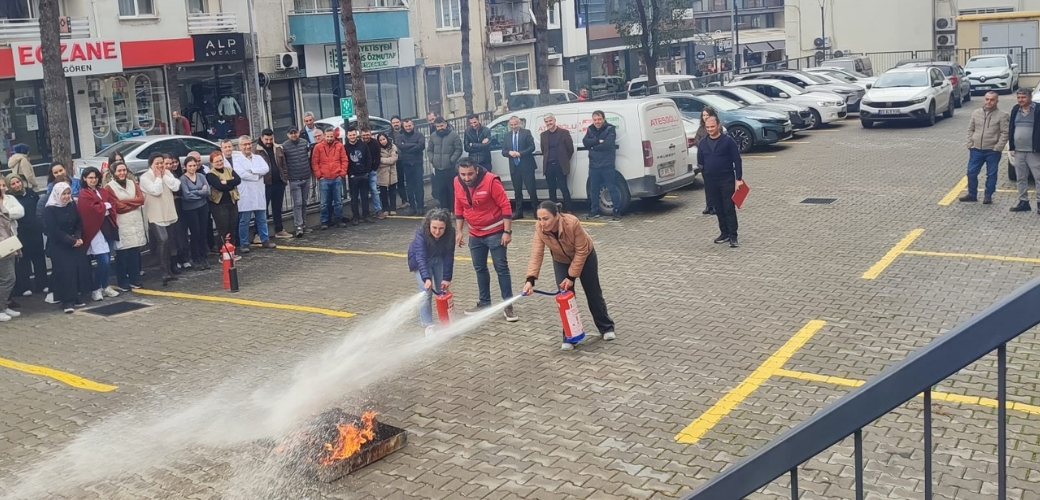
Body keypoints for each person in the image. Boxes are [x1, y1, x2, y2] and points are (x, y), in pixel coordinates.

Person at [522, 201, 616, 350]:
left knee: (593, 293)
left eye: (545, 219)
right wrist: (530, 280)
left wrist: (571, 277)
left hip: (585, 256)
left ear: (557, 216)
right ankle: (570, 336)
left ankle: (606, 327)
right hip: (561, 260)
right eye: (539, 219)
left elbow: (581, 251)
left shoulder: (572, 223)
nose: (542, 223)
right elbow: (536, 254)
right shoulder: (540, 228)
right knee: (565, 298)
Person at [454, 157, 518, 322]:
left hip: (495, 232)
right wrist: (459, 231)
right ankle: (484, 303)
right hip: (475, 233)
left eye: (470, 174)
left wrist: (507, 232)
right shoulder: (457, 182)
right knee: (479, 268)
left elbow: (505, 205)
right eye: (463, 174)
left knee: (501, 269)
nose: (466, 178)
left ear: (476, 170)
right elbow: (458, 206)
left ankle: (508, 306)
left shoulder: (491, 181)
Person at [43, 182, 92, 313]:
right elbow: (53, 230)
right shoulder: (50, 209)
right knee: (66, 272)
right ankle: (67, 301)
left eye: (68, 193)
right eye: (63, 194)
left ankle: (76, 296)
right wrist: (71, 241)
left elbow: (78, 222)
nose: (66, 196)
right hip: (60, 245)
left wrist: (77, 237)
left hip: (74, 242)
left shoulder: (71, 204)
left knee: (78, 269)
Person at [697, 115, 744, 248]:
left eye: (712, 127)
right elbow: (700, 161)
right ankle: (724, 233)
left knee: (728, 207)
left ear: (718, 126)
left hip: (726, 179)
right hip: (711, 181)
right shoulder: (703, 143)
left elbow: (737, 160)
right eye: (707, 127)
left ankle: (733, 235)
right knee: (718, 207)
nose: (710, 129)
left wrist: (738, 179)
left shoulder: (728, 141)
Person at [407, 208, 456, 334]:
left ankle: (448, 323)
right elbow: (420, 257)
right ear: (428, 225)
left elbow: (449, 255)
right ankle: (428, 325)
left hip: (439, 259)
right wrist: (426, 279)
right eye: (434, 228)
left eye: (441, 228)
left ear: (446, 227)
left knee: (443, 290)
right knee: (426, 293)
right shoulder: (421, 232)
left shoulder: (451, 233)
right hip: (421, 262)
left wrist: (447, 278)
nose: (437, 232)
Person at [77, 167, 120, 301]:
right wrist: (104, 206)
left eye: (95, 177)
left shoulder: (102, 191)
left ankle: (105, 286)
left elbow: (112, 204)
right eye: (90, 178)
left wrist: (103, 206)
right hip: (95, 229)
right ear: (84, 178)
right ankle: (96, 288)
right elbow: (89, 210)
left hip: (108, 227)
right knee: (103, 261)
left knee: (108, 258)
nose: (93, 180)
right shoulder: (84, 194)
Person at [103, 162, 146, 291]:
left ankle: (134, 279)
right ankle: (122, 281)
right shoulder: (109, 187)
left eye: (124, 170)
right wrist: (133, 203)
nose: (122, 173)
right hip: (122, 224)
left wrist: (126, 202)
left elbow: (141, 199)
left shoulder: (132, 183)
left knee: (134, 254)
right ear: (113, 173)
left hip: (135, 222)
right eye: (119, 171)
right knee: (122, 255)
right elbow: (117, 206)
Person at [960, 91, 1009, 204]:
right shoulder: (976, 113)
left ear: (997, 101)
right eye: (987, 99)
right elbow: (970, 129)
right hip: (976, 149)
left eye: (992, 100)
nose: (989, 102)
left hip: (992, 151)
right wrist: (970, 143)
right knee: (971, 172)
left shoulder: (1003, 115)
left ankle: (988, 195)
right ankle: (972, 194)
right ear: (984, 99)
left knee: (991, 174)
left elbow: (1005, 133)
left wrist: (998, 147)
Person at [139, 153, 181, 285]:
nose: (160, 166)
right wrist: (158, 177)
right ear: (151, 164)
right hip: (155, 214)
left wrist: (164, 176)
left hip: (169, 212)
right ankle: (163, 272)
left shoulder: (167, 173)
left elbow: (176, 186)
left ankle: (169, 270)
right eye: (157, 163)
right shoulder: (145, 177)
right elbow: (155, 191)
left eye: (161, 163)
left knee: (170, 242)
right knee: (163, 240)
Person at [233, 135, 275, 252]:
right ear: (240, 146)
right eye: (244, 144)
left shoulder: (258, 158)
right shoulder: (237, 161)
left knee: (262, 219)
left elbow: (266, 169)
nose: (247, 146)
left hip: (258, 192)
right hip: (245, 194)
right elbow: (241, 174)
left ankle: (265, 239)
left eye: (249, 144)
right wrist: (257, 176)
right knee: (244, 221)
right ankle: (244, 243)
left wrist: (252, 171)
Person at [7, 174, 46, 297]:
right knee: (23, 260)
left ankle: (42, 284)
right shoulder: (10, 198)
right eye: (13, 184)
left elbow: (39, 209)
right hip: (20, 232)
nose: (16, 185)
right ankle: (25, 286)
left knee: (39, 258)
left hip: (35, 231)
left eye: (18, 182)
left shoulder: (31, 193)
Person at [583, 110, 622, 221]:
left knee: (612, 188)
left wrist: (593, 146)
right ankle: (594, 211)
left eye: (599, 119)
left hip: (607, 165)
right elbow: (585, 142)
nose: (597, 122)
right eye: (595, 120)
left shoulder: (610, 128)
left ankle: (616, 211)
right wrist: (597, 141)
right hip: (594, 165)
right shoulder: (590, 129)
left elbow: (607, 144)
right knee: (593, 189)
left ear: (604, 119)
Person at [1008, 87, 1040, 213]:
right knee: (1021, 178)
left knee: (1038, 177)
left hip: (1034, 151)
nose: (1020, 100)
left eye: (1023, 97)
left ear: (1030, 97)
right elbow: (1011, 128)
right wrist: (1011, 147)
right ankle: (1023, 202)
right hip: (1019, 150)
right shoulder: (1015, 109)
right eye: (1018, 97)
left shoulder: (1038, 109)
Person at [256, 128, 291, 239]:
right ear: (262, 138)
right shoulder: (256, 150)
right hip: (265, 184)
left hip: (279, 182)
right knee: (262, 210)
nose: (269, 142)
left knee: (277, 208)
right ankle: (258, 234)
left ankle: (279, 229)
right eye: (266, 139)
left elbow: (283, 164)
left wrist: (284, 178)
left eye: (271, 139)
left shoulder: (277, 148)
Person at [501, 116, 538, 219]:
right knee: (517, 191)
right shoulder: (507, 136)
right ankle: (519, 212)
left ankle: (536, 211)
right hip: (514, 167)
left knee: (531, 190)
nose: (513, 126)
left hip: (527, 166)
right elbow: (503, 151)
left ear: (519, 123)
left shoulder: (526, 133)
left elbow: (532, 147)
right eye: (511, 125)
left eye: (515, 124)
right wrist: (509, 152)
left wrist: (520, 154)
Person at [179, 157, 212, 269]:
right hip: (190, 210)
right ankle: (195, 258)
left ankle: (203, 257)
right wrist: (200, 192)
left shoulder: (201, 176)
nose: (192, 168)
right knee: (195, 233)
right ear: (185, 167)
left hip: (203, 207)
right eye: (190, 166)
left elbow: (208, 191)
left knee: (203, 232)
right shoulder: (183, 179)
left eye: (194, 165)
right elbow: (187, 196)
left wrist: (195, 192)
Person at [311, 128, 348, 230]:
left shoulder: (339, 146)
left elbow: (344, 160)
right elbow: (314, 162)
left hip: (337, 177)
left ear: (334, 136)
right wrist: (319, 175)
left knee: (338, 201)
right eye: (327, 136)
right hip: (324, 178)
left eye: (331, 136)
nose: (329, 138)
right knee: (324, 203)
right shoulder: (318, 147)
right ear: (324, 136)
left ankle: (338, 219)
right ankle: (325, 221)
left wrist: (342, 173)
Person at [205, 152, 242, 249]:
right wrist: (231, 185)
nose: (219, 163)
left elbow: (238, 180)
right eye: (216, 161)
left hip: (232, 202)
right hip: (219, 205)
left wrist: (225, 182)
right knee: (223, 229)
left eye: (221, 160)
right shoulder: (210, 174)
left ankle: (232, 250)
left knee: (232, 228)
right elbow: (219, 186)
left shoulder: (229, 170)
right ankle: (222, 251)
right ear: (212, 163)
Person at [539, 113, 574, 212]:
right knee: (551, 189)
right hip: (548, 165)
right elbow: (543, 150)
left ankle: (569, 209)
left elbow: (570, 149)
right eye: (546, 121)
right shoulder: (543, 135)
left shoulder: (564, 133)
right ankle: (553, 211)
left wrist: (564, 160)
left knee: (564, 188)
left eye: (550, 120)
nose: (549, 123)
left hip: (560, 165)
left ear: (554, 120)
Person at [428, 118, 463, 213]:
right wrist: (432, 159)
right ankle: (444, 211)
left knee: (452, 190)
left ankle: (454, 211)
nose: (440, 128)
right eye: (438, 126)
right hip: (438, 168)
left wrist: (451, 160)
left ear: (446, 124)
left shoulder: (454, 135)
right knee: (441, 191)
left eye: (442, 125)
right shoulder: (433, 136)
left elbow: (459, 149)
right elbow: (429, 150)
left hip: (450, 168)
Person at [0, 176, 23, 321]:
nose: (2, 188)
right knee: (8, 278)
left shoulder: (7, 200)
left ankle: (4, 305)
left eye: (3, 185)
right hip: (2, 246)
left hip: (10, 244)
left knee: (9, 276)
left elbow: (20, 211)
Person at [283, 125, 313, 236]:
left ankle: (304, 224)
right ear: (288, 135)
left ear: (298, 133)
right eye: (291, 133)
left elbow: (309, 157)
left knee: (305, 202)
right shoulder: (285, 146)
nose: (293, 135)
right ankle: (298, 226)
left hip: (306, 176)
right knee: (298, 203)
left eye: (295, 132)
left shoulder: (305, 143)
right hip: (294, 178)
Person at [164, 155, 191, 271]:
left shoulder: (174, 175)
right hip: (168, 209)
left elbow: (179, 190)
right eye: (167, 164)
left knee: (181, 234)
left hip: (179, 208)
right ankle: (175, 261)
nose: (170, 166)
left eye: (171, 163)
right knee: (172, 236)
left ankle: (184, 258)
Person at [694, 106, 721, 216]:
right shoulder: (701, 128)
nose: (705, 117)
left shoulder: (716, 128)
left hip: (714, 161)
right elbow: (696, 140)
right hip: (704, 161)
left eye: (707, 115)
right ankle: (709, 205)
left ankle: (716, 205)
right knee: (708, 185)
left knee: (715, 185)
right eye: (703, 115)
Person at [397, 118, 427, 215]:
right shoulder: (400, 136)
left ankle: (420, 206)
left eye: (409, 125)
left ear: (413, 125)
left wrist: (407, 147)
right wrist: (414, 145)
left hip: (417, 163)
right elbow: (401, 146)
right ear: (403, 127)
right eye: (406, 126)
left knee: (419, 186)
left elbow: (421, 146)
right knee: (409, 187)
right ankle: (412, 207)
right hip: (406, 164)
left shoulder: (420, 135)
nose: (408, 128)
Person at [345, 128, 373, 225]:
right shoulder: (345, 147)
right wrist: (350, 174)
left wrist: (367, 172)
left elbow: (368, 159)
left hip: (364, 175)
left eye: (354, 135)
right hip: (353, 176)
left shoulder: (363, 145)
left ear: (356, 135)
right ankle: (355, 217)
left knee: (365, 197)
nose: (352, 137)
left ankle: (366, 215)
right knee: (354, 198)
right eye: (350, 135)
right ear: (347, 136)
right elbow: (345, 162)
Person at [361, 128, 384, 218]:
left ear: (370, 134)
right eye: (364, 135)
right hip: (362, 172)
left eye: (367, 135)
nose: (366, 137)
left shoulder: (375, 143)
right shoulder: (360, 143)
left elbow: (378, 157)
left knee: (374, 191)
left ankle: (378, 210)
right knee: (363, 193)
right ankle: (365, 212)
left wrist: (374, 168)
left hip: (372, 171)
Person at [388, 115, 410, 208]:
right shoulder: (390, 135)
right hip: (397, 161)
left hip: (407, 158)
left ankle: (413, 199)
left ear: (400, 122)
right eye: (393, 123)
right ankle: (404, 200)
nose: (395, 124)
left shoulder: (406, 132)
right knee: (400, 181)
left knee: (410, 180)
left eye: (397, 122)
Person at [377, 134, 399, 217]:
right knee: (383, 193)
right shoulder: (377, 148)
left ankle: (393, 208)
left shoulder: (393, 146)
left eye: (384, 139)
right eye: (380, 140)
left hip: (392, 172)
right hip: (381, 173)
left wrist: (382, 160)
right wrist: (388, 161)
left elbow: (394, 159)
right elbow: (377, 161)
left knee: (392, 192)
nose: (383, 141)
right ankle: (385, 208)